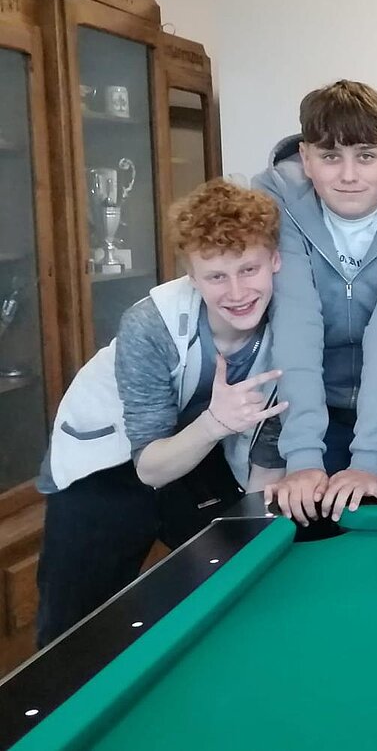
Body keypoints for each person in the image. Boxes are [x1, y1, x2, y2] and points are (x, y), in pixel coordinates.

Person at [36, 179, 285, 646]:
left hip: (201, 452)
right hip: (108, 466)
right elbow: (149, 468)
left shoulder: (295, 327)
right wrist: (216, 422)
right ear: (192, 277)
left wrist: (255, 541)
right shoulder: (149, 324)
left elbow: (266, 465)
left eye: (249, 269)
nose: (237, 292)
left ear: (275, 260)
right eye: (216, 277)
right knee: (72, 633)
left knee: (236, 577)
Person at [252, 80, 377, 524]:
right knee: (303, 521)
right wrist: (303, 458)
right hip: (309, 402)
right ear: (306, 158)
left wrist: (368, 460)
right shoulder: (276, 198)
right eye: (330, 157)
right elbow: (296, 322)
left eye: (366, 156)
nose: (349, 175)